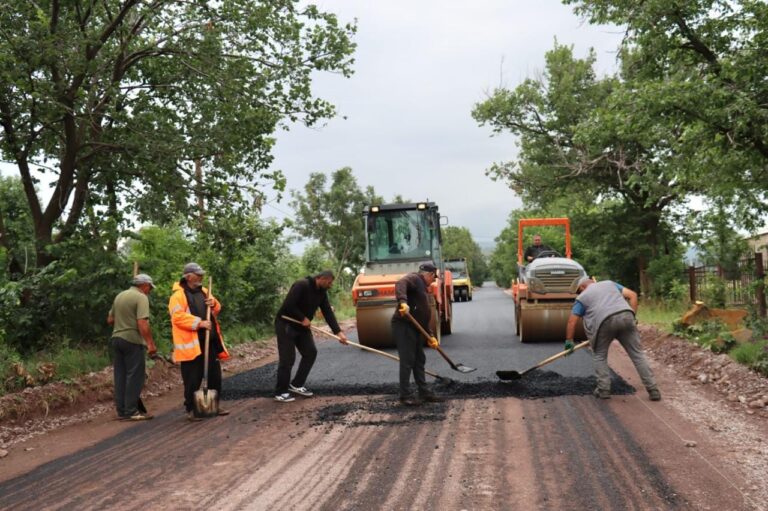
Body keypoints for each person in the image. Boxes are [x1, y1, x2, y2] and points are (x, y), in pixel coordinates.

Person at [565, 277, 661, 401]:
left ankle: (604, 390)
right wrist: (633, 318)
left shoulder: (582, 298)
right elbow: (633, 295)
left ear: (582, 287)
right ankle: (653, 390)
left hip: (604, 322)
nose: (579, 294)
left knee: (599, 355)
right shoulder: (610, 284)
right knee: (637, 354)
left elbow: (572, 321)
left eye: (579, 291)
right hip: (626, 315)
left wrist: (569, 340)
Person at [274, 270, 349, 402]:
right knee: (287, 358)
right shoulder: (301, 285)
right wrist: (302, 317)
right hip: (286, 323)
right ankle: (280, 392)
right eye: (330, 282)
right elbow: (288, 306)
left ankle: (296, 384)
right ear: (322, 279)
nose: (330, 285)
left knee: (310, 352)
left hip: (302, 326)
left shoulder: (322, 292)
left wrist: (339, 333)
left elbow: (327, 313)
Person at [169, 262, 230, 420]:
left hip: (209, 341)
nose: (201, 277)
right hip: (192, 344)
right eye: (198, 274)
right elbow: (177, 318)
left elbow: (217, 308)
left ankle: (212, 406)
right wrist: (199, 323)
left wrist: (213, 303)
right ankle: (191, 409)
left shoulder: (204, 291)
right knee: (192, 378)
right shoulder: (178, 296)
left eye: (202, 274)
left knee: (214, 375)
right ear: (188, 276)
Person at [392, 262, 445, 406]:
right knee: (407, 360)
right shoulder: (415, 279)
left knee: (419, 359)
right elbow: (400, 283)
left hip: (415, 327)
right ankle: (405, 396)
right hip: (404, 325)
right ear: (430, 274)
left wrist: (430, 335)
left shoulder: (422, 287)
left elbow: (422, 315)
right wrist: (403, 302)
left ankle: (424, 392)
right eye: (434, 278)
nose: (433, 281)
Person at [107, 273, 158, 421]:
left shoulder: (120, 296)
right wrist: (150, 344)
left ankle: (122, 411)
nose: (149, 291)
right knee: (135, 376)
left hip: (116, 339)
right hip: (132, 340)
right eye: (149, 287)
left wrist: (124, 320)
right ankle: (131, 411)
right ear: (144, 285)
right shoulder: (141, 297)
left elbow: (110, 319)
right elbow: (142, 323)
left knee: (120, 376)